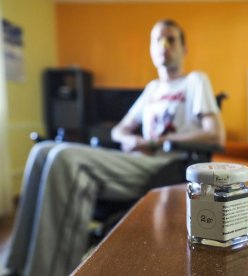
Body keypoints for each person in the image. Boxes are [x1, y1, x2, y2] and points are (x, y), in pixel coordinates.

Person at [2, 19, 225, 276]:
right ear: (151, 50)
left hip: (167, 163)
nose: (164, 45)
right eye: (157, 40)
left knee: (65, 159)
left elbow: (215, 133)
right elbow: (120, 129)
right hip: (137, 158)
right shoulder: (153, 89)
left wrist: (155, 142)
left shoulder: (195, 81)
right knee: (43, 152)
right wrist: (129, 139)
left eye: (171, 39)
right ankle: (14, 266)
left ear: (183, 49)